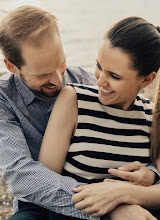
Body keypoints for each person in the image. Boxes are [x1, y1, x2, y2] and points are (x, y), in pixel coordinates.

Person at [38, 16, 160, 220]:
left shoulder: (152, 117)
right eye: (99, 66)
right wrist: (112, 208)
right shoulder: (74, 100)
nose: (100, 81)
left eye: (115, 76)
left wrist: (125, 192)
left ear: (147, 79)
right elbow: (44, 182)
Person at [0, 5, 100, 220]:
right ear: (11, 66)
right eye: (42, 74)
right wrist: (99, 204)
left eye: (61, 63)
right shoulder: (3, 99)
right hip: (38, 204)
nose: (57, 80)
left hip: (99, 187)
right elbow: (20, 174)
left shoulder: (85, 82)